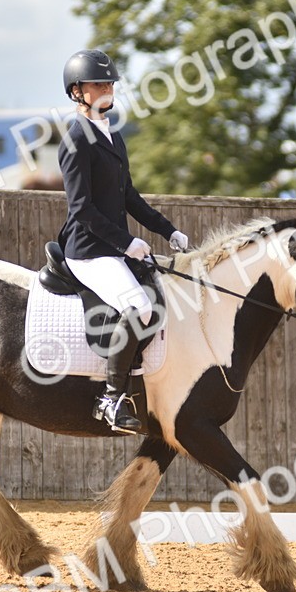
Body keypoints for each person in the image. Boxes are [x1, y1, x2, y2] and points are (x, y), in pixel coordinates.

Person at [56, 48, 190, 434]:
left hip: (110, 248)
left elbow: (128, 197)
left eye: (110, 82)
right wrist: (126, 243)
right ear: (77, 91)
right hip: (87, 251)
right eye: (98, 83)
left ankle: (132, 376)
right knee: (139, 307)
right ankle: (110, 399)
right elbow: (82, 209)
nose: (106, 88)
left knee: (160, 298)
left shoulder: (113, 137)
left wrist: (168, 230)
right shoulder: (75, 141)